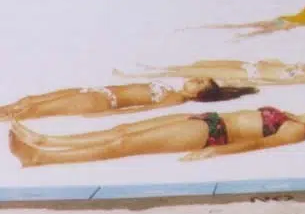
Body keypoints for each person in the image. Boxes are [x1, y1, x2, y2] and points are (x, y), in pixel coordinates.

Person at [8, 102, 305, 167]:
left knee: (124, 145)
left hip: (212, 132)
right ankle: (49, 141)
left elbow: (259, 143)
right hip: (206, 119)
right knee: (122, 130)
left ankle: (41, 157)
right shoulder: (293, 116)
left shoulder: (297, 130)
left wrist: (216, 151)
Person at [1, 78, 254, 121]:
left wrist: (111, 114)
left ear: (199, 95)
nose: (194, 79)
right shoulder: (172, 89)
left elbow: (142, 110)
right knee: (29, 100)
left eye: (199, 83)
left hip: (103, 102)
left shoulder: (176, 99)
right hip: (97, 91)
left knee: (31, 111)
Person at [122, 53, 305, 85]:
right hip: (249, 65)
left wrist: (244, 82)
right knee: (200, 64)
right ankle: (154, 67)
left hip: (248, 74)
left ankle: (137, 75)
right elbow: (280, 68)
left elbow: (276, 82)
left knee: (194, 73)